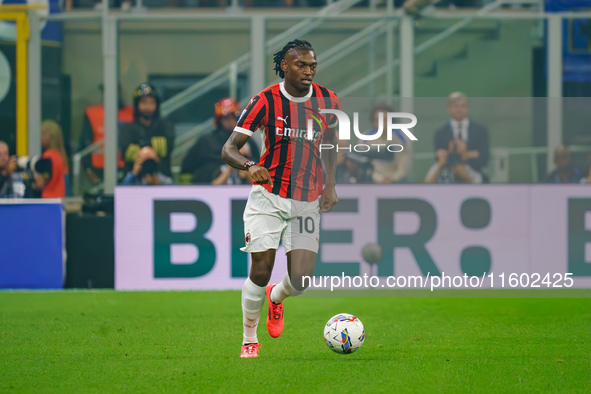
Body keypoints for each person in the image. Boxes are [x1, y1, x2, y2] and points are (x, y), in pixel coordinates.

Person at [221, 39, 340, 359]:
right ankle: (249, 339)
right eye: (301, 64)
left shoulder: (328, 100)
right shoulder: (264, 101)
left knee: (301, 280)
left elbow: (330, 143)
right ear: (284, 66)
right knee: (261, 269)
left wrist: (330, 185)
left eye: (312, 65)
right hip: (268, 197)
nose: (308, 70)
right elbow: (229, 148)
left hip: (306, 199)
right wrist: (250, 165)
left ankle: (276, 297)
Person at [181, 97, 259, 184]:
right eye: (225, 118)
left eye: (232, 117)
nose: (230, 121)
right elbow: (187, 166)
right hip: (213, 187)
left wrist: (247, 155)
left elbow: (260, 165)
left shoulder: (247, 140)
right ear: (219, 121)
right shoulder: (206, 141)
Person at [78, 84, 134, 184]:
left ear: (120, 92)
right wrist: (87, 168)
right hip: (99, 167)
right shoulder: (93, 113)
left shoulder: (130, 113)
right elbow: (85, 142)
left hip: (126, 166)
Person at [119, 83, 175, 178]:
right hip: (135, 180)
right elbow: (127, 153)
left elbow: (167, 148)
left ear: (157, 105)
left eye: (151, 103)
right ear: (137, 104)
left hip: (161, 180)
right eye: (144, 102)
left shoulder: (165, 126)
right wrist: (151, 150)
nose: (147, 107)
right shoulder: (127, 129)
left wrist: (141, 149)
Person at [434, 92, 489, 181]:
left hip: (476, 177)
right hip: (448, 179)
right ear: (448, 109)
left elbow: (485, 158)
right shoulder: (440, 133)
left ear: (468, 108)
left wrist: (466, 156)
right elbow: (439, 159)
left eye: (463, 106)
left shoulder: (480, 130)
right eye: (456, 106)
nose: (459, 109)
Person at [360, 104, 410, 184]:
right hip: (373, 180)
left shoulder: (402, 138)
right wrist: (380, 179)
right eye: (377, 120)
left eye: (385, 120)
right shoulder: (365, 138)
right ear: (373, 122)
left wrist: (392, 179)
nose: (381, 123)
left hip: (396, 180)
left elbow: (403, 167)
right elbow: (365, 165)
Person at [35, 120, 69, 198]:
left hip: (48, 200)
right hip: (59, 199)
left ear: (50, 136)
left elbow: (41, 183)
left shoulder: (48, 156)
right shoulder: (61, 157)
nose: (40, 137)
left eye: (42, 134)